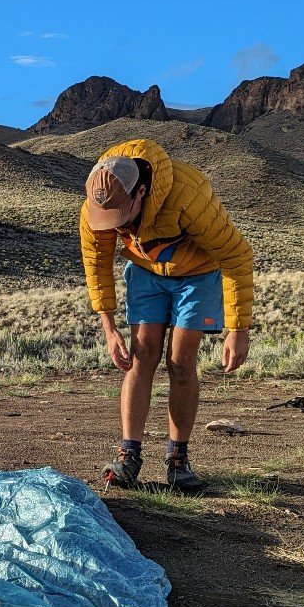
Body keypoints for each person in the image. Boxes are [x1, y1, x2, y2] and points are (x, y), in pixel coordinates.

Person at [80, 139, 253, 492]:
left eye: (120, 215)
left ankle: (178, 458)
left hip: (198, 274)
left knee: (180, 361)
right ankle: (129, 454)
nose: (112, 224)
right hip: (145, 273)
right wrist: (109, 326)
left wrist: (238, 328)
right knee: (141, 356)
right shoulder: (97, 203)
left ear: (141, 191)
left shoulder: (188, 197)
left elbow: (237, 255)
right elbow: (96, 265)